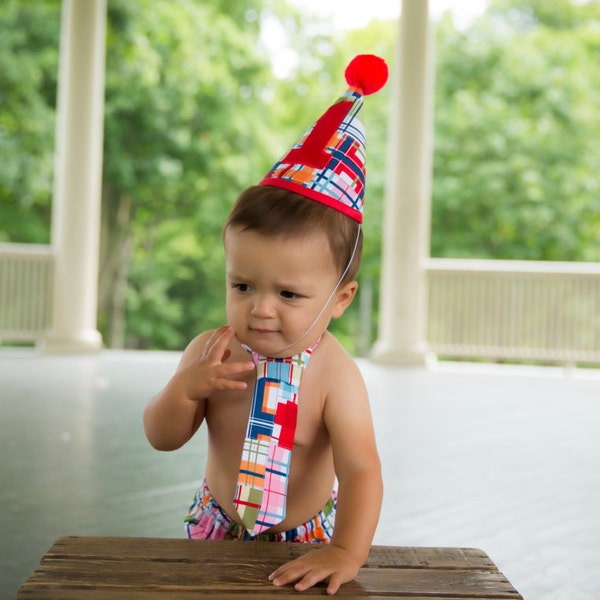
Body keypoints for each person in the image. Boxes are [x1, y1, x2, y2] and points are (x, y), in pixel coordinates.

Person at [144, 54, 388, 595]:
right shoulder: (211, 351)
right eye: (243, 286)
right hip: (217, 527)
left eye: (290, 294)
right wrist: (186, 391)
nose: (261, 309)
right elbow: (162, 438)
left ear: (341, 298)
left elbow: (361, 469)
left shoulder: (334, 374)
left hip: (306, 540)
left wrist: (346, 550)